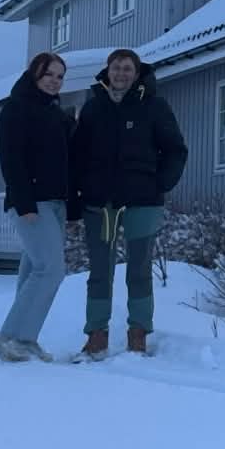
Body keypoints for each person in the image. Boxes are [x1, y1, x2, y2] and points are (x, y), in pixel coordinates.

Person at [69, 48, 188, 357]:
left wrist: (159, 184)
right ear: (107, 72)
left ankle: (138, 332)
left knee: (139, 268)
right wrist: (81, 189)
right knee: (100, 269)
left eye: (127, 69)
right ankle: (97, 333)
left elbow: (176, 150)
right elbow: (78, 155)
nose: (121, 73)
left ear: (137, 74)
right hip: (101, 204)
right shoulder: (94, 108)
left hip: (142, 202)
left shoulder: (154, 106)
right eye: (116, 68)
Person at [0, 52, 79, 362]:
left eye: (59, 76)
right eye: (49, 74)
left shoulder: (57, 114)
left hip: (55, 203)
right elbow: (11, 160)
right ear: (34, 75)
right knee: (51, 270)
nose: (54, 81)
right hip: (31, 203)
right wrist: (24, 202)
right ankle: (9, 336)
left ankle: (25, 339)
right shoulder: (16, 110)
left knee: (33, 271)